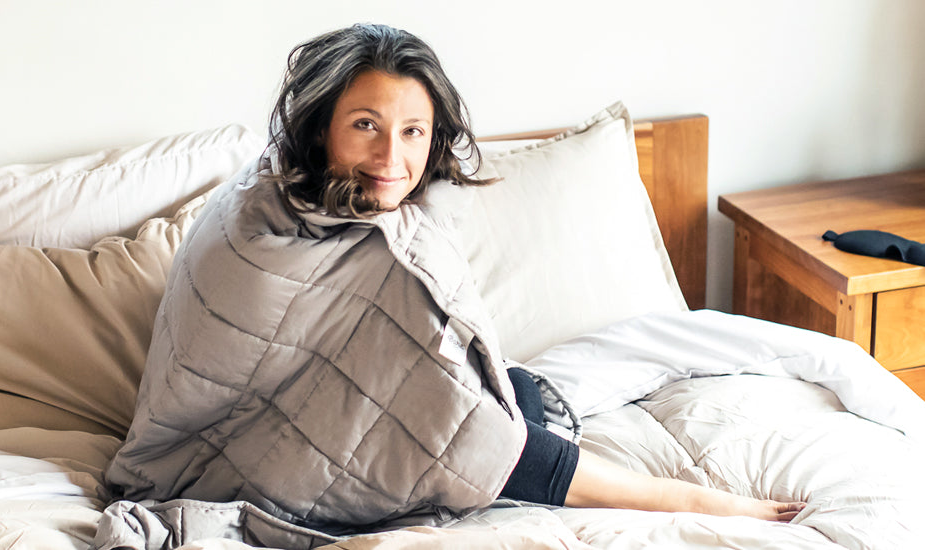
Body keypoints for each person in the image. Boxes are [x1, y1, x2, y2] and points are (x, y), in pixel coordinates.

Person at [106, 23, 805, 533]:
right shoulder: (263, 224)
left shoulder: (368, 213)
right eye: (366, 125)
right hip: (218, 460)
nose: (392, 157)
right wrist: (690, 502)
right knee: (476, 425)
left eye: (413, 131)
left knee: (515, 395)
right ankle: (688, 499)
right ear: (320, 129)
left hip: (322, 414)